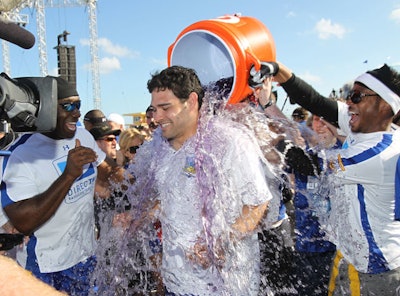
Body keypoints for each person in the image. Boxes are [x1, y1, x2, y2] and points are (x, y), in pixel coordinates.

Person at [127, 65, 274, 295]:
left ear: (192, 101)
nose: (157, 117)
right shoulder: (159, 147)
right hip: (176, 283)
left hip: (224, 287)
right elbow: (171, 197)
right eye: (154, 109)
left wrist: (221, 240)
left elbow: (258, 203)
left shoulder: (229, 141)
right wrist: (138, 217)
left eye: (166, 108)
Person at [259, 61, 400, 294]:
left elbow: (307, 164)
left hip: (376, 271)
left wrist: (259, 130)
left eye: (356, 96)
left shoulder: (377, 153)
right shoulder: (367, 124)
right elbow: (315, 100)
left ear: (384, 106)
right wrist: (276, 70)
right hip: (349, 257)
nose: (348, 103)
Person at [1, 76, 124, 295]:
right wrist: (68, 175)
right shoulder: (20, 154)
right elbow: (24, 222)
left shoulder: (83, 135)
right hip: (45, 267)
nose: (76, 113)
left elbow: (109, 173)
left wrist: (139, 184)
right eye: (67, 105)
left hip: (86, 257)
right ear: (46, 108)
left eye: (78, 105)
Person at [290, 114, 340, 295]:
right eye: (317, 120)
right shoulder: (305, 156)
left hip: (335, 249)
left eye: (326, 120)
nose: (321, 125)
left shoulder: (345, 155)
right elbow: (274, 160)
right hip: (305, 245)